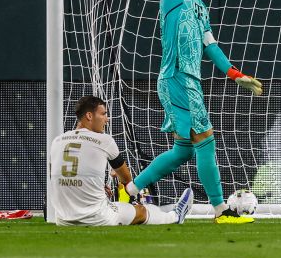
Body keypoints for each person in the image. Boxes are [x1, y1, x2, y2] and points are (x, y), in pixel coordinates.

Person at [121, 0, 264, 224]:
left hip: (190, 80)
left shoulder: (200, 6)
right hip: (176, 77)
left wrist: (235, 74)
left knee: (184, 149)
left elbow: (211, 47)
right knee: (207, 141)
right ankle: (221, 210)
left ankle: (129, 189)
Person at [50, 95, 194, 227]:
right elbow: (126, 179)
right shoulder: (104, 140)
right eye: (103, 114)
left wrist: (96, 186)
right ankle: (175, 216)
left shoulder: (57, 141)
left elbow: (62, 176)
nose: (107, 119)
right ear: (89, 116)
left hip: (63, 220)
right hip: (96, 218)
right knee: (141, 211)